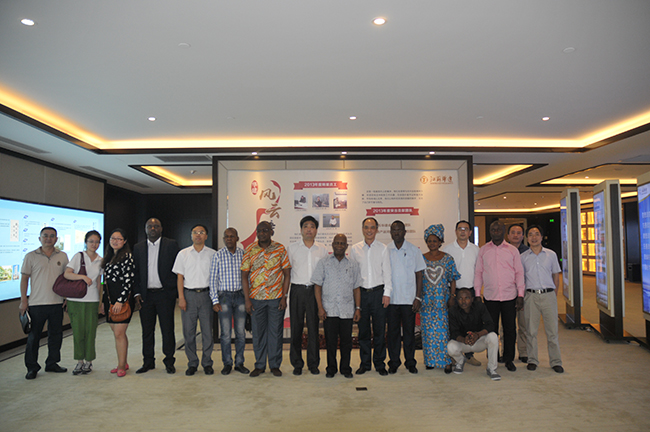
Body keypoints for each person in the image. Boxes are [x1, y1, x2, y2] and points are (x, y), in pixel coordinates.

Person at [241, 221, 291, 377]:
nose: (262, 233)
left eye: (265, 230)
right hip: (256, 299)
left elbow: (287, 274)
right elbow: (244, 276)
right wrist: (247, 300)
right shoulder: (250, 249)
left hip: (276, 298)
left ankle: (275, 365)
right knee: (258, 333)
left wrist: (284, 297)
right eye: (259, 231)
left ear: (271, 232)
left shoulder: (280, 249)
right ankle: (260, 365)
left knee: (275, 333)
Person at [474, 221, 525, 373]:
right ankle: (493, 358)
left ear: (503, 231)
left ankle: (509, 359)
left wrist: (520, 294)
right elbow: (478, 273)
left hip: (510, 296)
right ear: (490, 231)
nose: (495, 231)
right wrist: (477, 294)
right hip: (490, 297)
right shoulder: (483, 250)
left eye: (498, 229)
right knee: (491, 330)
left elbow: (519, 273)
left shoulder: (512, 250)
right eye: (493, 229)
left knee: (510, 329)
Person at [19, 227, 69, 379]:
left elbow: (66, 278)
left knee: (56, 336)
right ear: (39, 238)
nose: (48, 238)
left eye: (52, 236)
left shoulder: (63, 256)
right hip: (36, 304)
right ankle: (32, 367)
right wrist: (23, 300)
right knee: (33, 337)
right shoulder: (30, 256)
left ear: (56, 239)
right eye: (45, 236)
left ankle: (52, 363)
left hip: (57, 303)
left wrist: (66, 297)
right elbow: (24, 279)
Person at [133, 218, 180, 374]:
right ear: (145, 229)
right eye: (150, 226)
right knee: (147, 331)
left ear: (161, 228)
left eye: (156, 226)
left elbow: (177, 269)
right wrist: (137, 293)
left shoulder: (171, 245)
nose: (153, 229)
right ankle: (148, 362)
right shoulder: (138, 247)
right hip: (145, 296)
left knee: (167, 330)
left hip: (164, 295)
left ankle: (169, 362)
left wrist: (173, 291)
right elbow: (136, 272)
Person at [312, 234, 362, 378]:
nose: (339, 246)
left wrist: (358, 308)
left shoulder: (353, 264)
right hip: (329, 309)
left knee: (347, 342)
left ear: (346, 246)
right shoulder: (323, 263)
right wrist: (320, 308)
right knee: (331, 342)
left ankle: (345, 368)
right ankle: (331, 369)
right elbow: (317, 286)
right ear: (332, 245)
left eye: (342, 243)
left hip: (347, 310)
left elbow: (356, 288)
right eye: (337, 243)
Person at [350, 217, 393, 376]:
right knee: (363, 331)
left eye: (372, 227)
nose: (369, 230)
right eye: (366, 227)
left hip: (378, 294)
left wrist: (387, 293)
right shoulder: (355, 249)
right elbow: (353, 274)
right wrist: (354, 298)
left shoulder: (383, 248)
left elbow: (387, 272)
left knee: (380, 331)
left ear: (377, 229)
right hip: (361, 295)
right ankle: (365, 363)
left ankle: (380, 364)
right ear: (362, 229)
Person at [173, 224, 217, 376]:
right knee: (189, 332)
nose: (198, 235)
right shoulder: (183, 254)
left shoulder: (213, 254)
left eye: (201, 232)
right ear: (191, 235)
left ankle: (207, 363)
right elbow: (180, 277)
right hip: (189, 295)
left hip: (206, 296)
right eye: (195, 232)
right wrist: (181, 298)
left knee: (207, 332)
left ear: (206, 236)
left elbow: (216, 278)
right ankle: (192, 363)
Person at [287, 215, 328, 376]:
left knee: (313, 329)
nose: (309, 229)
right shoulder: (292, 248)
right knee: (296, 328)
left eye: (312, 226)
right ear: (301, 230)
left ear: (316, 230)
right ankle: (297, 363)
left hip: (314, 292)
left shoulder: (322, 249)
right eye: (306, 226)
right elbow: (288, 273)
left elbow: (325, 274)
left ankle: (313, 363)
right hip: (297, 291)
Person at [520, 225, 564, 373]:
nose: (534, 237)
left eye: (537, 234)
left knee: (552, 331)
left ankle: (556, 361)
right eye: (531, 234)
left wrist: (553, 294)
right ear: (527, 238)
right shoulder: (523, 257)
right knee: (531, 331)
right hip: (531, 296)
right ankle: (532, 360)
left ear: (541, 236)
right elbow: (521, 279)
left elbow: (556, 276)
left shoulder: (551, 254)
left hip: (548, 295)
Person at [386, 220, 425, 374]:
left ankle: (410, 362)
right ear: (390, 232)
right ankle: (394, 362)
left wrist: (418, 297)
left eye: (399, 230)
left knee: (409, 333)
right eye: (394, 230)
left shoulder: (414, 250)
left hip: (409, 299)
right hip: (392, 299)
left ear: (404, 232)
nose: (396, 232)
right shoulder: (386, 250)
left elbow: (419, 275)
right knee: (393, 334)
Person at [210, 228, 249, 375]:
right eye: (226, 237)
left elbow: (248, 278)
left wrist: (248, 298)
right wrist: (215, 300)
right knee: (225, 334)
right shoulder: (217, 256)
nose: (229, 239)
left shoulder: (244, 255)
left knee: (240, 333)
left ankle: (239, 363)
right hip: (224, 297)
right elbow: (213, 279)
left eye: (232, 236)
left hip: (240, 296)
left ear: (237, 238)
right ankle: (227, 363)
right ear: (223, 239)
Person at [441, 220, 481, 367]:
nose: (462, 231)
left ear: (470, 232)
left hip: (470, 291)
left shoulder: (476, 249)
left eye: (465, 229)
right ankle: (453, 355)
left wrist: (477, 293)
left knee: (470, 324)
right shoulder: (448, 249)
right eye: (460, 229)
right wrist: (451, 295)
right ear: (455, 231)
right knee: (453, 324)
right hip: (454, 292)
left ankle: (469, 355)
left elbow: (479, 272)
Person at [421, 224, 460, 373]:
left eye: (435, 241)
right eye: (429, 241)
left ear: (440, 242)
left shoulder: (448, 259)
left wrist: (452, 296)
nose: (432, 243)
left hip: (442, 301)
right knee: (428, 332)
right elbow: (418, 279)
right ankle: (430, 360)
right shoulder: (421, 258)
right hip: (426, 302)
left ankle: (446, 361)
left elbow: (453, 279)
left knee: (443, 332)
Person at [63, 230, 103, 375]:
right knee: (78, 331)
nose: (94, 244)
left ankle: (89, 361)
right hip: (75, 300)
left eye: (97, 242)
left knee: (91, 331)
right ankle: (79, 361)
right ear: (85, 242)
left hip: (92, 300)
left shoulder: (101, 260)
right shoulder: (78, 256)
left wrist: (100, 302)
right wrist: (83, 277)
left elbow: (99, 283)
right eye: (91, 241)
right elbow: (67, 274)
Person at [102, 228, 135, 377]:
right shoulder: (108, 257)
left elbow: (128, 281)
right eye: (113, 238)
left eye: (119, 239)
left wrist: (120, 301)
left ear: (125, 241)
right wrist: (104, 302)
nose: (115, 241)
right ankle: (123, 361)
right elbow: (106, 282)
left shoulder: (127, 256)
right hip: (110, 300)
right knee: (117, 333)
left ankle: (121, 366)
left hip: (122, 300)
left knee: (119, 333)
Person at [447, 288, 500, 380]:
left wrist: (478, 335)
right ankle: (460, 361)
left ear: (472, 299)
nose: (463, 301)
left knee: (493, 336)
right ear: (457, 300)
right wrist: (463, 339)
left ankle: (491, 368)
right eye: (460, 298)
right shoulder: (453, 311)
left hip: (479, 341)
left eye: (467, 298)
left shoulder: (480, 307)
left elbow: (490, 324)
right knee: (450, 347)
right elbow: (453, 332)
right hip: (463, 342)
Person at [508, 223, 530, 364]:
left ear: (523, 236)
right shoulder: (503, 250)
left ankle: (523, 352)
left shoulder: (528, 252)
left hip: (524, 292)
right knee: (506, 325)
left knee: (523, 324)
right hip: (507, 292)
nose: (516, 235)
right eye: (513, 232)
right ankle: (505, 351)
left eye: (519, 233)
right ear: (508, 235)